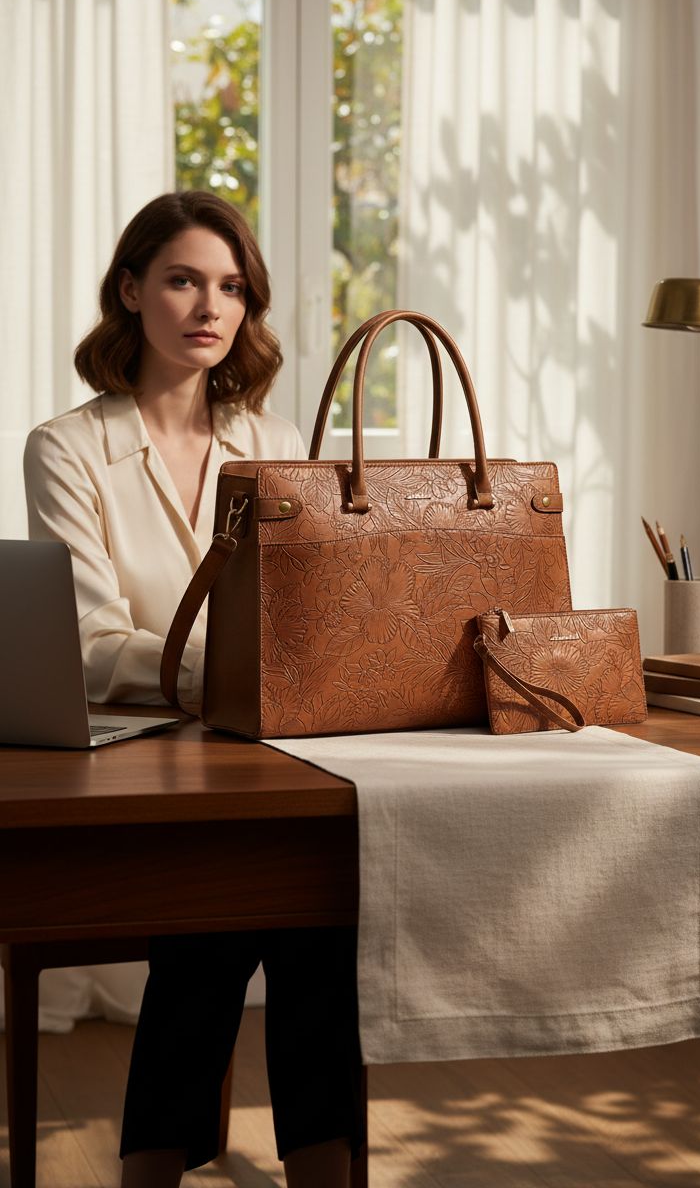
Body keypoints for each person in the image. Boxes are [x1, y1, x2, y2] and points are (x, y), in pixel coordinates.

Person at [24, 191, 363, 1187]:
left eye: (230, 287)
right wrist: (245, 666)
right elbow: (91, 646)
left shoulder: (275, 441)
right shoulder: (67, 447)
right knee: (236, 910)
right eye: (182, 280)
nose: (209, 307)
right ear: (131, 291)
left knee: (311, 917)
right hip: (141, 758)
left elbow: (309, 614)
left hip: (270, 749)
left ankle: (184, 1168)